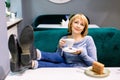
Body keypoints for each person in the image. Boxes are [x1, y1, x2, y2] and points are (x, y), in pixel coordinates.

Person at [8, 13, 97, 72]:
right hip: (64, 61)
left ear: (84, 28)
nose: (78, 26)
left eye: (82, 24)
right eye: (76, 22)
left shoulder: (88, 39)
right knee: (56, 58)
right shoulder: (65, 38)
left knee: (58, 66)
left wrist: (82, 53)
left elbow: (94, 63)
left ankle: (28, 62)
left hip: (77, 68)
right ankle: (30, 55)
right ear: (71, 24)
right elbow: (57, 57)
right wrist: (60, 46)